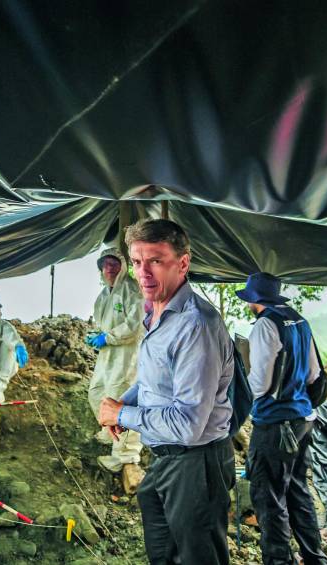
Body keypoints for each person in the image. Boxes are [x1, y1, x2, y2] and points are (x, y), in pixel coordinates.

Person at [98, 219, 235, 565]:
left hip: (197, 463)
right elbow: (155, 382)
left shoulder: (195, 326)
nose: (143, 272)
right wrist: (127, 402)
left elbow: (188, 424)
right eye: (137, 261)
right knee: (163, 552)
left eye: (156, 261)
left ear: (183, 263)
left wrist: (122, 414)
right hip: (168, 459)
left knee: (197, 557)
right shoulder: (158, 312)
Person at [235, 272, 327, 565]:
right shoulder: (299, 320)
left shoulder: (265, 326)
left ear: (254, 300)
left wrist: (235, 392)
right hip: (302, 421)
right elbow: (315, 375)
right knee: (297, 490)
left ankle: (278, 561)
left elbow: (260, 385)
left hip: (275, 425)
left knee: (269, 497)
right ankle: (315, 557)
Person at [87, 247, 145, 473]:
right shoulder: (104, 295)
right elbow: (102, 321)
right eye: (105, 265)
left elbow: (134, 325)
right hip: (108, 354)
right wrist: (97, 335)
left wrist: (108, 337)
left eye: (114, 264)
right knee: (97, 392)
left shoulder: (131, 290)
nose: (109, 269)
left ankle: (125, 455)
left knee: (121, 397)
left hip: (126, 355)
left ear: (122, 266)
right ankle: (108, 431)